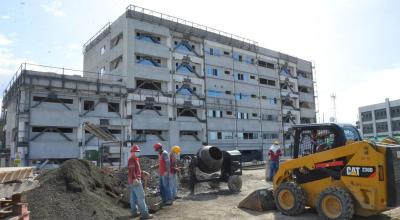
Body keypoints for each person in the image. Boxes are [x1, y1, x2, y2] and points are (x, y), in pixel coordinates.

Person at [128, 145, 152, 219]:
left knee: (133, 197)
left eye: (138, 151)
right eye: (136, 151)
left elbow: (136, 170)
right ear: (132, 152)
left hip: (132, 181)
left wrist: (143, 172)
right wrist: (135, 178)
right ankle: (145, 214)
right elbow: (132, 171)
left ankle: (134, 212)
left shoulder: (135, 159)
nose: (138, 153)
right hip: (135, 181)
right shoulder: (132, 159)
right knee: (141, 197)